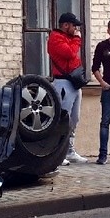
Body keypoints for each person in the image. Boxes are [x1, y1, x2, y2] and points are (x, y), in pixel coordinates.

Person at [46, 11, 87, 164]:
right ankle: (57, 153)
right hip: (63, 83)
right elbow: (70, 53)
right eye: (74, 26)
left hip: (74, 83)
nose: (76, 29)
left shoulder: (68, 38)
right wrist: (77, 39)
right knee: (62, 118)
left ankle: (69, 150)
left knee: (74, 118)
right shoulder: (55, 38)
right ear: (65, 25)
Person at [91, 19, 110, 164]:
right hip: (108, 89)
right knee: (105, 122)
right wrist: (102, 82)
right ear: (108, 31)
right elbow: (95, 67)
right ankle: (103, 155)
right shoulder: (102, 46)